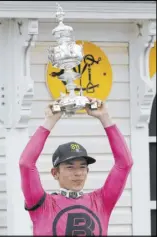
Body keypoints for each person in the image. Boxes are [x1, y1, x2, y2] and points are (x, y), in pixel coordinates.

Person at [19, 97, 133, 236]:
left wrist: (105, 118)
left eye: (82, 167)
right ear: (55, 173)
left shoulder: (101, 201)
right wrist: (50, 120)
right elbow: (26, 164)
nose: (78, 173)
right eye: (70, 167)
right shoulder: (42, 204)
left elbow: (125, 164)